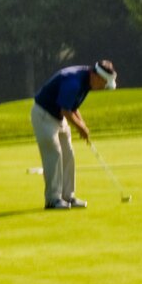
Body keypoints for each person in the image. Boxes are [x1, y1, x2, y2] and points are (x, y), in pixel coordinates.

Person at [31, 60, 116, 209]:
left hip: (59, 117)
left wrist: (83, 126)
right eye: (104, 84)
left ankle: (67, 196)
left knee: (68, 153)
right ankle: (52, 200)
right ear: (97, 77)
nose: (103, 88)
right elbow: (65, 110)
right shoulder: (73, 82)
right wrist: (80, 128)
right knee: (54, 154)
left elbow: (73, 107)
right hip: (44, 115)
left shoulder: (87, 82)